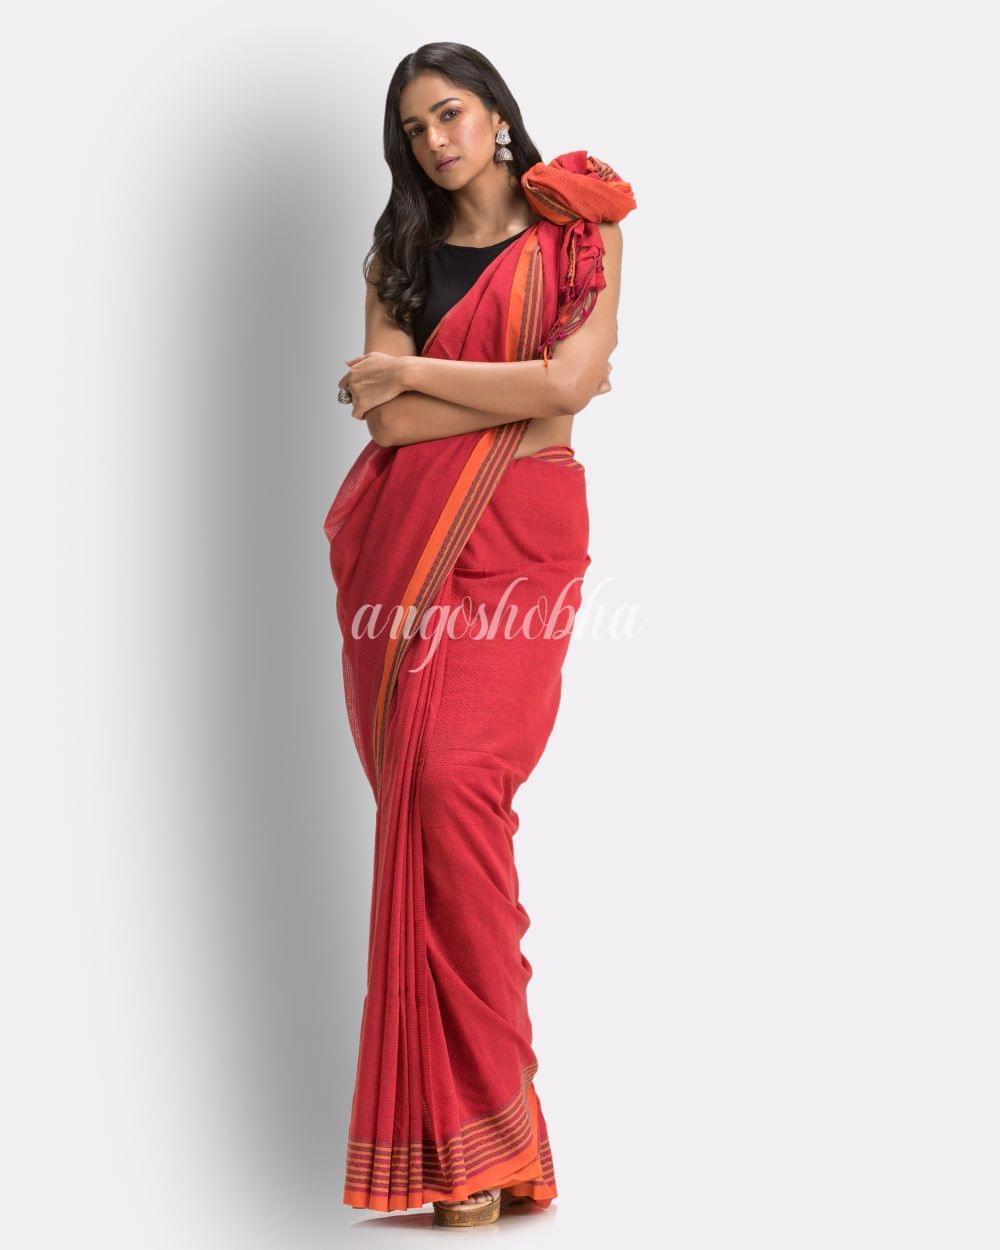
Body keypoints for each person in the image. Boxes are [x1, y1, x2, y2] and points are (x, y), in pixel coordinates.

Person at [324, 41, 636, 1227]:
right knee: (429, 810)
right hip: (403, 553)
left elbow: (568, 386)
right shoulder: (397, 256)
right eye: (413, 128)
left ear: (497, 112)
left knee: (459, 781)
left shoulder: (577, 227)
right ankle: (476, 1147)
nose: (435, 141)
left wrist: (428, 382)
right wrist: (522, 382)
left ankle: (489, 1130)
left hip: (523, 542)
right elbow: (391, 427)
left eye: (449, 113)